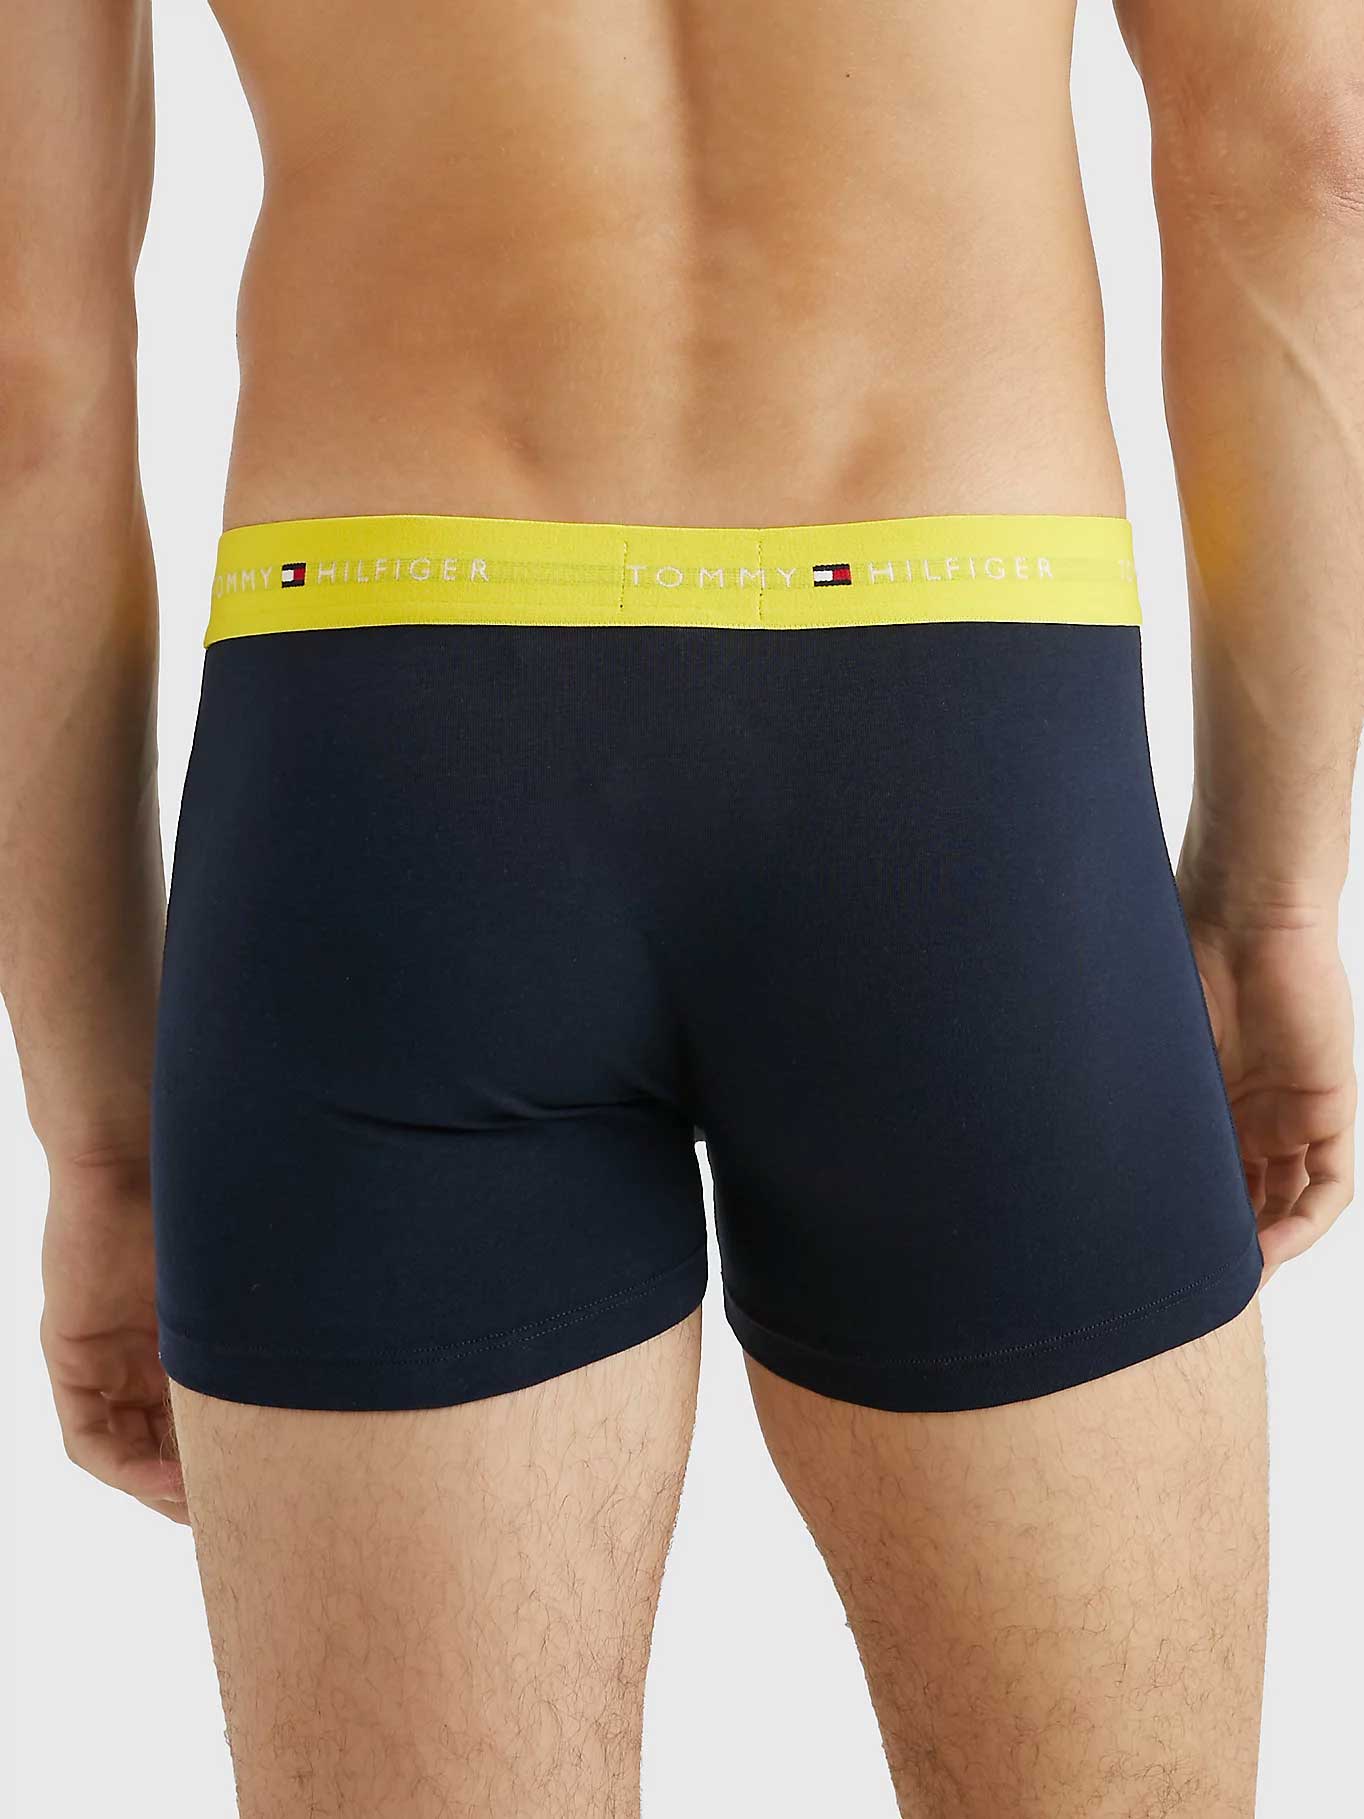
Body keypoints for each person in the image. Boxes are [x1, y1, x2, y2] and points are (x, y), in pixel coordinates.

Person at [3, 0, 1359, 1812]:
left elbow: (26, 370)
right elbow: (1308, 154)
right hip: (966, 754)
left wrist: (103, 1132)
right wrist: (1269, 900)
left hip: (388, 758)